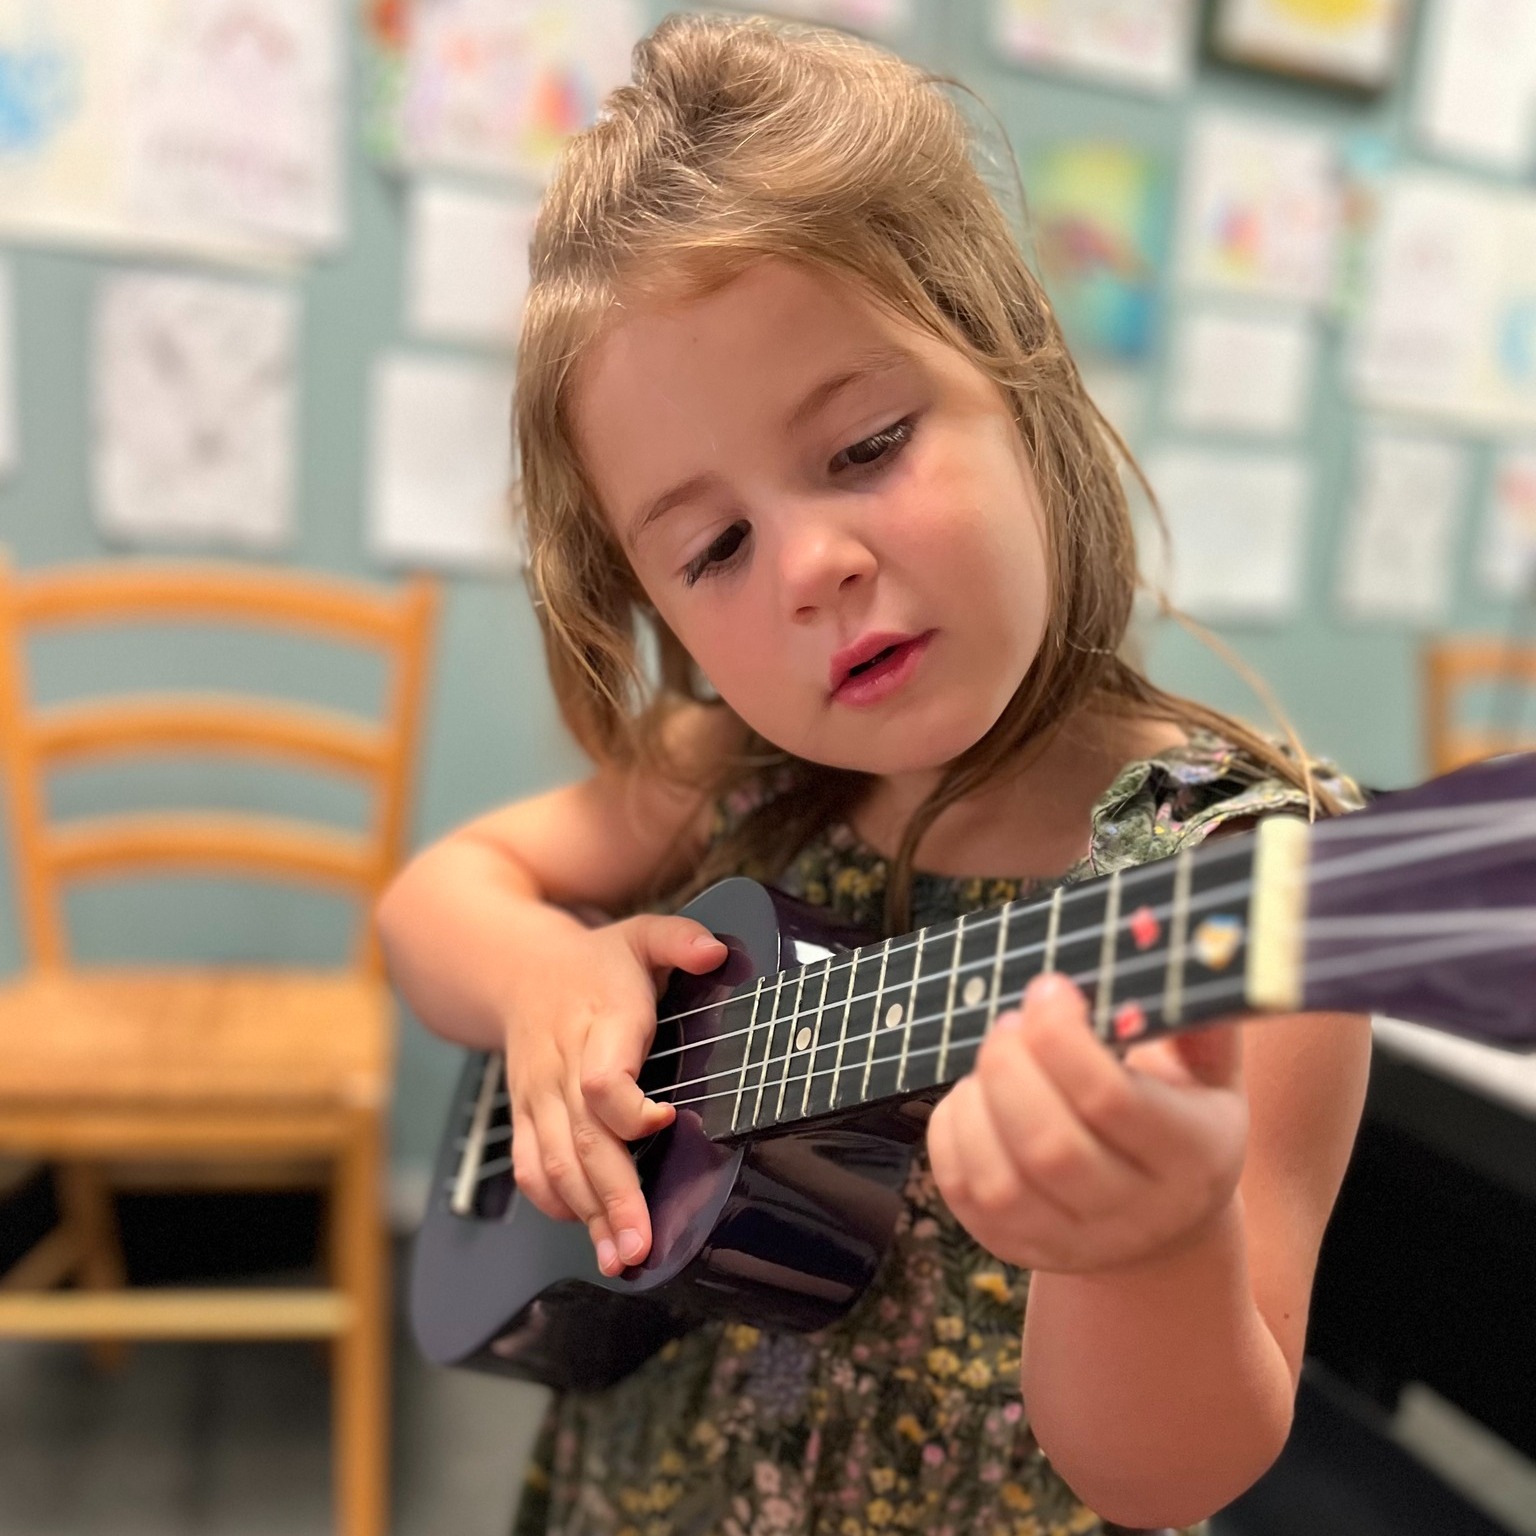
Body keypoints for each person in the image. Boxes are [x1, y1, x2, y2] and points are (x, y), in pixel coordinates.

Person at [376, 13, 1371, 1535]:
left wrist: (1144, 1247)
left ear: (1017, 368)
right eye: (713, 548)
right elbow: (433, 902)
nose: (814, 568)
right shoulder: (734, 771)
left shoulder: (1249, 886)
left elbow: (1176, 1472)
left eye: (865, 447)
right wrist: (538, 981)